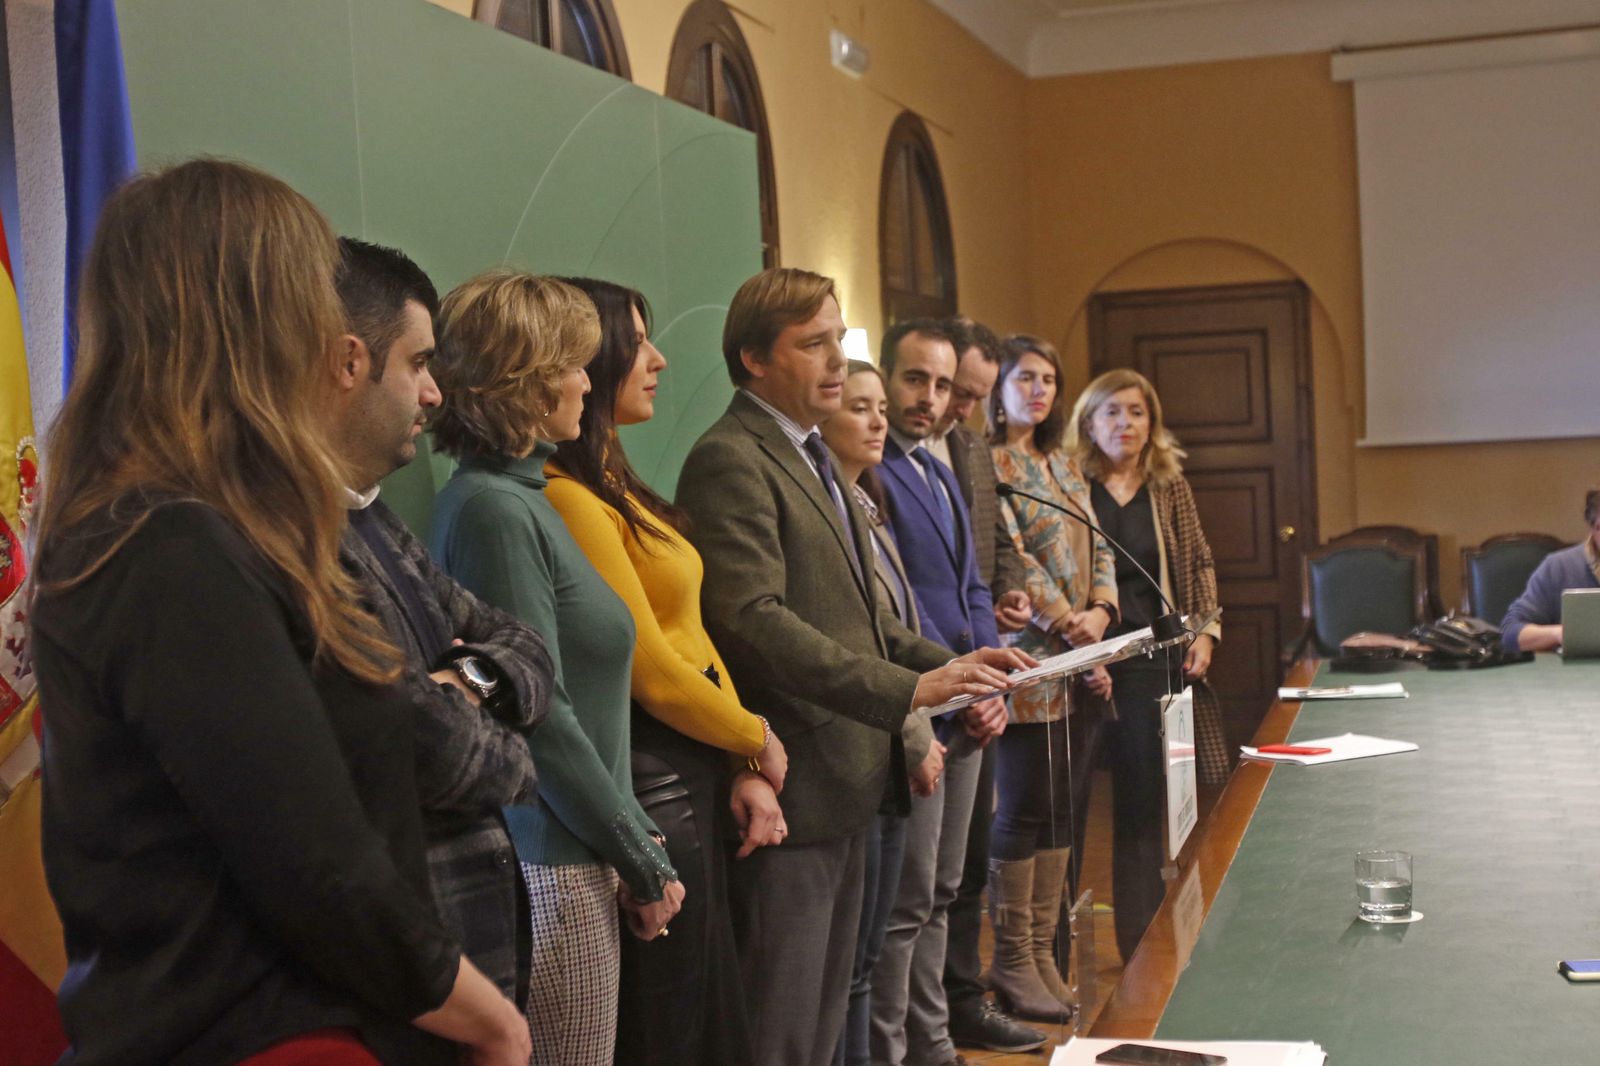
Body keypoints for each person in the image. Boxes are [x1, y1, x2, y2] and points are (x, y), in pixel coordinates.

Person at [32, 159, 528, 1065]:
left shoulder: (204, 527)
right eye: (308, 295)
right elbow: (315, 859)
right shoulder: (172, 546)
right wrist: (491, 1021)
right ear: (253, 320)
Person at [675, 267, 1030, 1064]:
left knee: (828, 1018)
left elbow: (867, 618)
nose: (838, 360)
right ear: (754, 359)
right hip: (795, 777)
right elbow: (752, 621)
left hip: (848, 778)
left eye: (840, 339)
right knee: (783, 1030)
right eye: (814, 344)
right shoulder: (732, 457)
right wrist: (908, 691)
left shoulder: (810, 455)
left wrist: (960, 664)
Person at [428, 270, 684, 1066]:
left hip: (577, 852)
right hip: (552, 862)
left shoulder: (523, 495)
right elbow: (535, 709)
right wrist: (639, 853)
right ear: (525, 384)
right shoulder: (495, 508)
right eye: (571, 364)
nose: (586, 380)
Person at [543, 276, 785, 1065]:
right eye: (637, 342)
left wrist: (743, 755)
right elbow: (650, 667)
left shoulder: (616, 483)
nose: (658, 358)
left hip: (694, 766)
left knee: (716, 1019)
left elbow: (695, 639)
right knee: (674, 1030)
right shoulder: (567, 495)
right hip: (653, 775)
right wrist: (752, 736)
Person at [330, 238, 555, 1004]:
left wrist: (464, 676)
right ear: (349, 362)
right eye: (420, 364)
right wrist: (497, 730)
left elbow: (525, 649)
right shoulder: (295, 538)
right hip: (404, 977)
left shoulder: (375, 520)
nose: (434, 394)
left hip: (463, 945)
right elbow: (442, 754)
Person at [870, 320, 1014, 1066]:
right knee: (909, 899)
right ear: (886, 378)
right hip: (925, 705)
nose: (929, 399)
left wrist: (993, 683)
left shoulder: (943, 465)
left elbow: (973, 586)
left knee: (948, 888)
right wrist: (954, 687)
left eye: (941, 384)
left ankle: (932, 1044)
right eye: (914, 380)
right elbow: (898, 612)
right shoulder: (872, 470)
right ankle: (899, 1049)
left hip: (971, 708)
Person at [1066, 367, 1226, 961]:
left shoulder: (1168, 485)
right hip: (1082, 654)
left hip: (1150, 659)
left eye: (1136, 412)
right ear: (1089, 421)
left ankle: (1138, 947)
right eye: (1111, 412)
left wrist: (1205, 633)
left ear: (1151, 423)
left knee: (1140, 805)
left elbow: (1201, 564)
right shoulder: (1069, 481)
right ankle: (1052, 952)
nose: (1125, 423)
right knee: (1070, 807)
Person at [987, 333, 1118, 1023]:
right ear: (997, 386)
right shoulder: (990, 463)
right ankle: (1013, 959)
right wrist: (1071, 625)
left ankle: (1042, 954)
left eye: (1047, 380)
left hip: (1083, 659)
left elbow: (1097, 543)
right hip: (1032, 657)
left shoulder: (1065, 465)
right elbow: (1015, 563)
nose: (1038, 390)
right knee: (1025, 807)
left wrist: (1101, 613)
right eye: (1024, 378)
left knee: (1065, 806)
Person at [821, 360, 942, 1066]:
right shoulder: (834, 506)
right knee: (866, 953)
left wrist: (961, 672)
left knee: (892, 932)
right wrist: (918, 725)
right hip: (869, 743)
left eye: (879, 410)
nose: (877, 422)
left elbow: (893, 627)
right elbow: (857, 643)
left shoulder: (866, 503)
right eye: (859, 406)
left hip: (900, 733)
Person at [931, 318, 1044, 1054]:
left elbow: (989, 547)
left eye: (971, 396)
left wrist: (1008, 598)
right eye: (956, 392)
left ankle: (965, 1000)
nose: (962, 409)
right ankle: (935, 1014)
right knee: (927, 886)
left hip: (978, 665)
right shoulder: (880, 451)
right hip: (926, 680)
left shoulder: (967, 447)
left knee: (966, 866)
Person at [1500, 487, 1600, 651]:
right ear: (1592, 528)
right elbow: (1510, 633)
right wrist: (1561, 634)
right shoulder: (1558, 567)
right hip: (1574, 675)